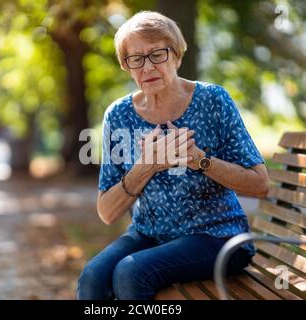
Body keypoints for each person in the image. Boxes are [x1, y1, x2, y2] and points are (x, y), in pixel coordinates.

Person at [77, 11, 269, 300]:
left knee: (130, 272)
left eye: (158, 54)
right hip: (149, 234)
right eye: (136, 59)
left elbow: (260, 184)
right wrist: (147, 166)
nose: (147, 67)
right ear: (126, 66)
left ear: (177, 56)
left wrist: (198, 160)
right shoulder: (118, 115)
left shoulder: (212, 100)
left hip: (217, 236)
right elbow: (107, 211)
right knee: (93, 277)